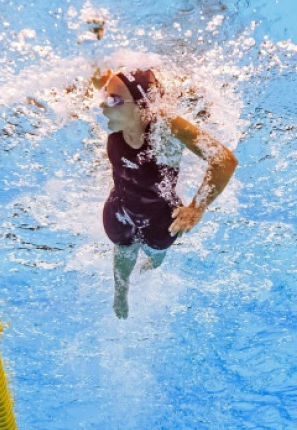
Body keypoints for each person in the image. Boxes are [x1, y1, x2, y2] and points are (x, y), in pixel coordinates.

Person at [93, 68, 238, 318]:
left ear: (141, 106)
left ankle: (148, 268)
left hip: (160, 220)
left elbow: (223, 159)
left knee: (156, 256)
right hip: (120, 208)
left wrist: (196, 207)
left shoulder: (165, 127)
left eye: (113, 100)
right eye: (106, 96)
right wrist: (94, 36)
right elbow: (96, 71)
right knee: (123, 250)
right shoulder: (115, 121)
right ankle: (121, 292)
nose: (102, 106)